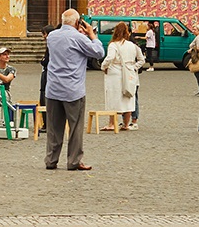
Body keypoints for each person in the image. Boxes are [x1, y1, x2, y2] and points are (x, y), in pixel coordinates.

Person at [44, 9, 105, 171]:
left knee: (53, 128)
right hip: (72, 89)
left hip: (53, 88)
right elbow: (99, 53)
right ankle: (73, 161)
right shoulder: (78, 38)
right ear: (78, 23)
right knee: (75, 128)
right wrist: (92, 35)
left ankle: (51, 160)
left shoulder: (52, 36)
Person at [100, 23, 140, 130]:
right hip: (129, 72)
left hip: (115, 73)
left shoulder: (114, 45)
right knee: (127, 97)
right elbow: (141, 58)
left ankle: (112, 123)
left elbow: (110, 58)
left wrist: (103, 66)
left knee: (113, 96)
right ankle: (126, 124)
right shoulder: (132, 45)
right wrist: (134, 66)